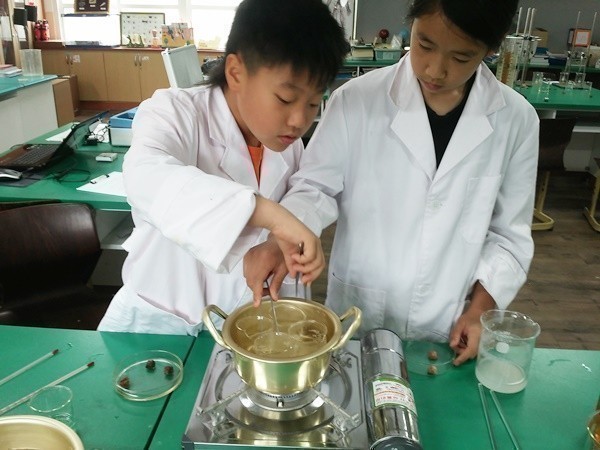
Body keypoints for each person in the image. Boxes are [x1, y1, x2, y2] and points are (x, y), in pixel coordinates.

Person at [244, 0, 539, 365]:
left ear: (490, 49)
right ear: (410, 25)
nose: (435, 69)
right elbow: (316, 188)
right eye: (424, 44)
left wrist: (480, 311)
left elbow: (509, 237)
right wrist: (282, 238)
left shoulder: (517, 121)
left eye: (461, 57)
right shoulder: (356, 100)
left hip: (447, 324)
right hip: (361, 311)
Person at [97, 0, 349, 335]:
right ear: (236, 72)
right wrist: (270, 215)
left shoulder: (286, 143)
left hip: (247, 323)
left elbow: (307, 191)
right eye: (286, 99)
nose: (299, 120)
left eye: (314, 102)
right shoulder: (174, 112)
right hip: (161, 323)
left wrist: (278, 241)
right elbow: (145, 176)